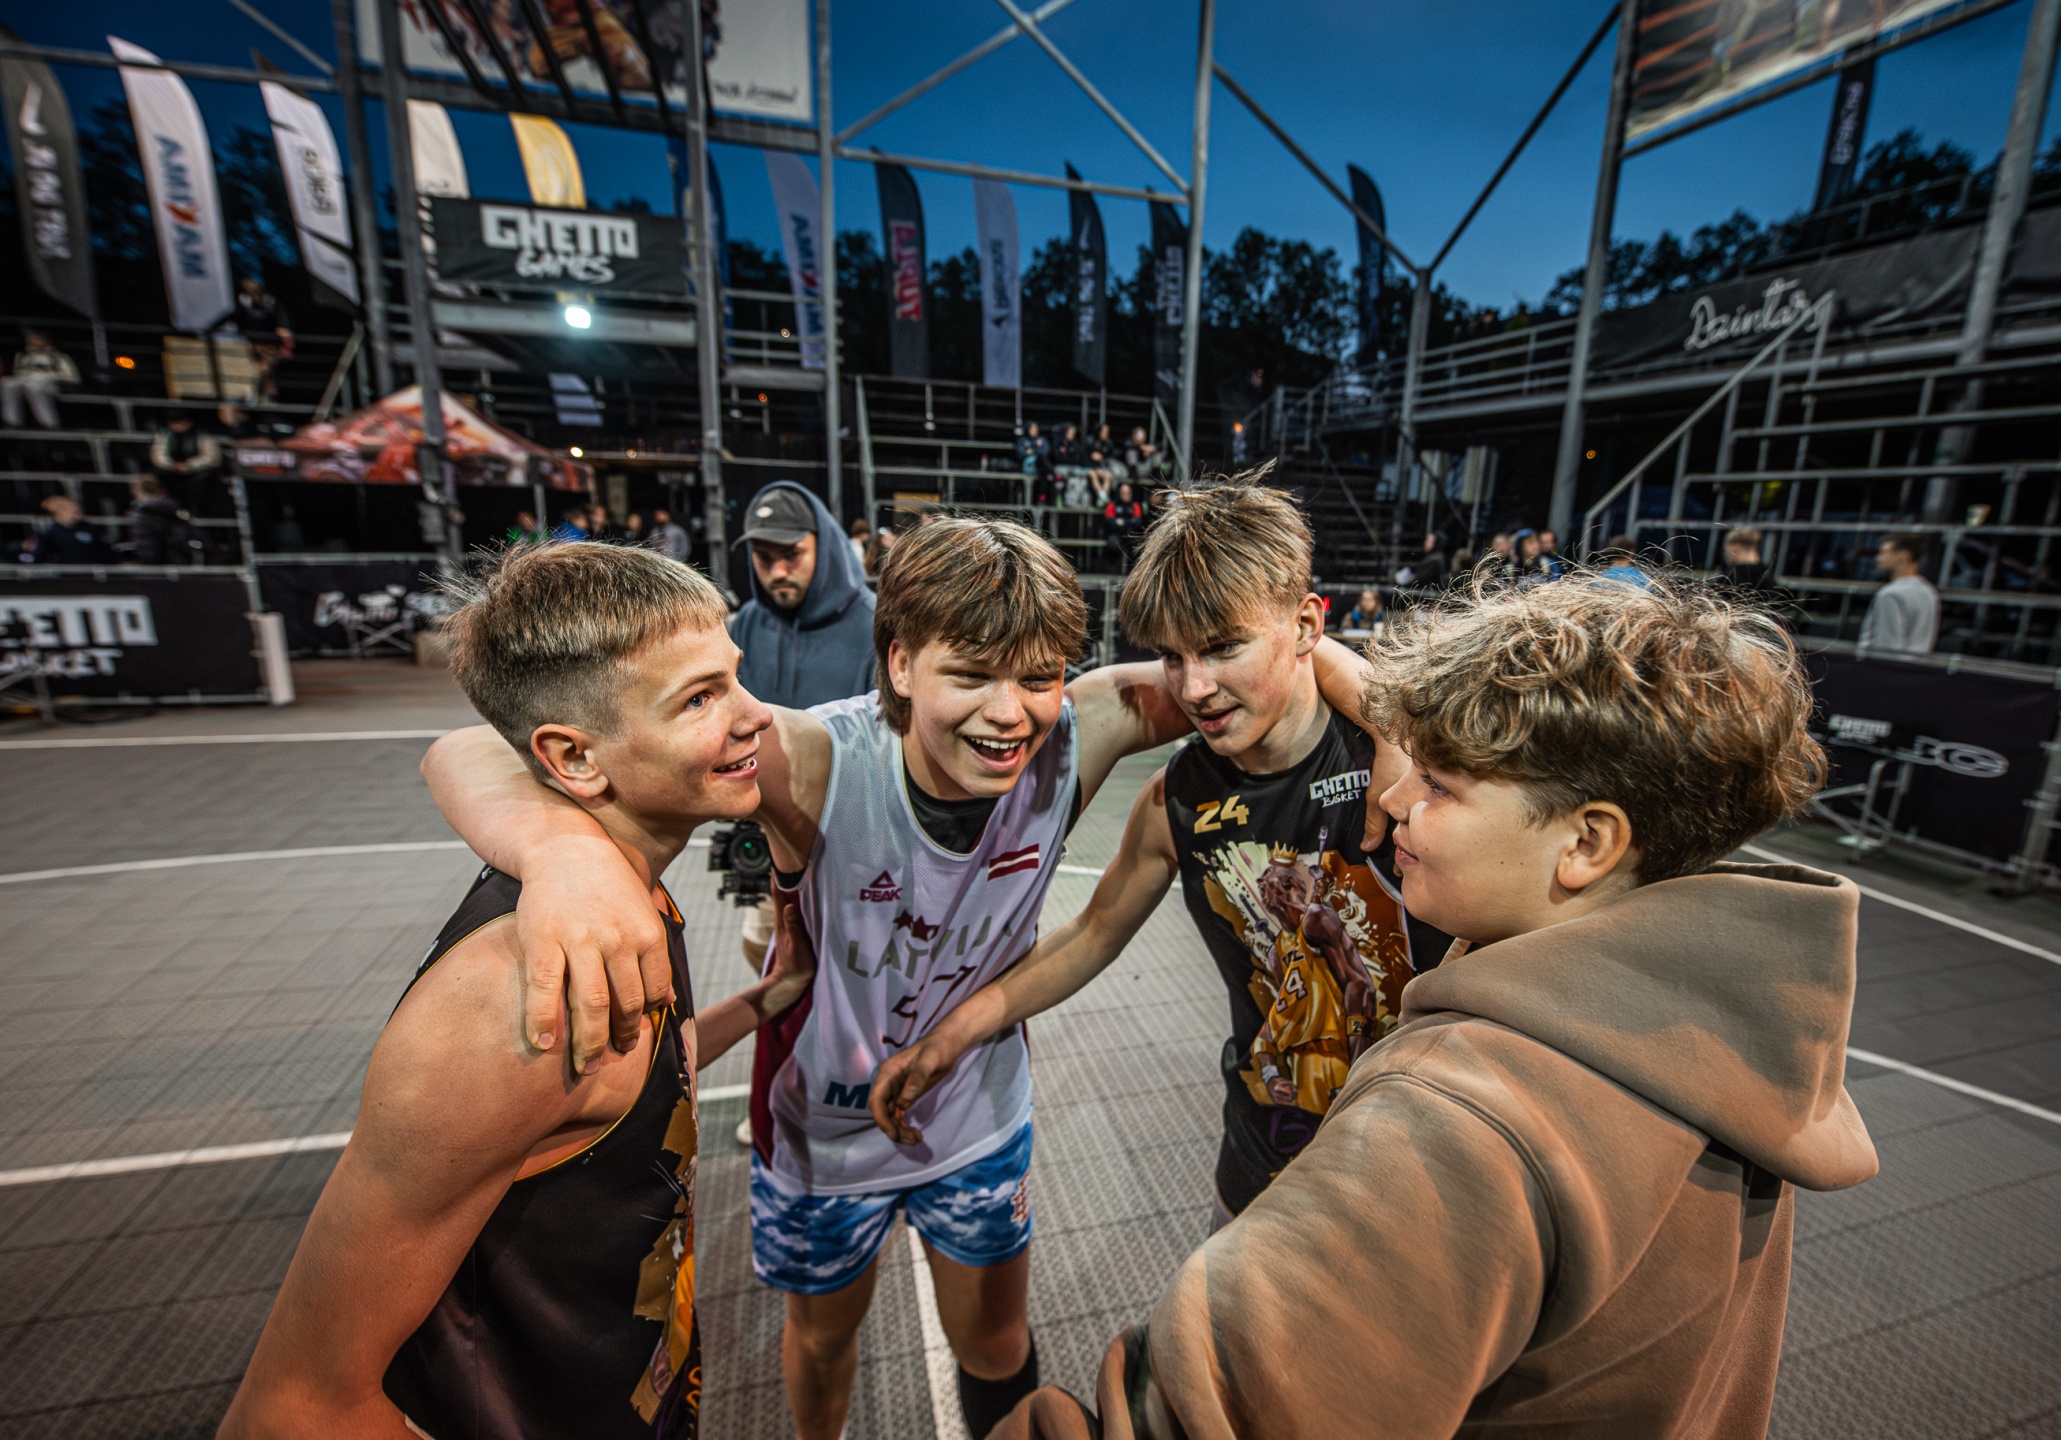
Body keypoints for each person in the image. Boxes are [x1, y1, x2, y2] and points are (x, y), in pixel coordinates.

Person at [418, 515, 1378, 1440]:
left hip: (976, 1115)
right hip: (821, 1131)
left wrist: (1363, 690)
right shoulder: (813, 759)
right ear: (902, 663)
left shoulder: (1082, 727)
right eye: (971, 675)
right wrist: (558, 854)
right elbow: (470, 748)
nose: (1010, 712)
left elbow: (1264, 662)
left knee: (997, 1345)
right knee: (823, 1342)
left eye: (1038, 676)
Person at [988, 573, 1876, 1440]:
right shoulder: (1723, 1043)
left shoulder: (1458, 1121)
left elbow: (1225, 1404)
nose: (1397, 794)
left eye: (1441, 784)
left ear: (1588, 841)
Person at [219, 543, 812, 1440]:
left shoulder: (615, 902)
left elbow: (630, 1095)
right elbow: (291, 1410)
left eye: (733, 677)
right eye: (700, 699)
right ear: (573, 757)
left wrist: (771, 996)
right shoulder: (509, 1005)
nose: (755, 714)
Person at [870, 481, 1442, 1235]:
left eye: (1224, 647)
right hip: (1267, 1152)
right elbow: (1094, 932)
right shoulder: (1178, 798)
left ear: (1307, 624)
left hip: (1428, 1154)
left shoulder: (1420, 768)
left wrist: (1398, 720)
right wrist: (954, 1032)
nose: (1196, 687)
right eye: (1173, 656)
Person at [725, 482, 877, 999]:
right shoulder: (748, 623)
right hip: (764, 837)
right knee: (763, 947)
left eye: (791, 555)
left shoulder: (874, 625)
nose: (777, 571)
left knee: (854, 970)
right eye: (763, 558)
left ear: (823, 546)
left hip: (849, 847)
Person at [1858, 532, 1940, 655]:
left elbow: (1886, 648)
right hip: (1916, 665)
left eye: (1884, 552)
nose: (1878, 557)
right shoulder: (1929, 592)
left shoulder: (1890, 594)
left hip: (1884, 666)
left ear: (1902, 555)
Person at [2, 330, 79, 429]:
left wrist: (45, 375)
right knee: (8, 384)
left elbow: (72, 377)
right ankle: (12, 422)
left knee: (36, 385)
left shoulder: (59, 357)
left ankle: (48, 424)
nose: (32, 341)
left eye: (36, 339)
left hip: (51, 385)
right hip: (27, 382)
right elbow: (17, 373)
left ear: (45, 340)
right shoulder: (22, 357)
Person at [234, 278, 294, 402]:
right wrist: (214, 327)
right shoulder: (245, 302)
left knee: (265, 369)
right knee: (262, 369)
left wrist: (284, 328)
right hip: (254, 342)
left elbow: (281, 316)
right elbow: (235, 316)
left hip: (270, 342)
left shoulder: (271, 301)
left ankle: (262, 396)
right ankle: (262, 395)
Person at [150, 411, 223, 501]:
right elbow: (158, 455)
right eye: (174, 422)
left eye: (180, 421)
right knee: (157, 475)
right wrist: (171, 464)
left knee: (206, 477)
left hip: (197, 471)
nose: (177, 425)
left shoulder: (202, 434)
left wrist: (189, 465)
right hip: (172, 470)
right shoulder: (164, 434)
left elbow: (212, 457)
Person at [25, 494, 113, 564]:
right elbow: (41, 555)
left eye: (77, 508)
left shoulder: (91, 529)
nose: (75, 511)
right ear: (57, 512)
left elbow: (106, 550)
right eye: (67, 509)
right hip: (66, 575)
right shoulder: (49, 532)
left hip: (93, 573)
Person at [127, 476, 193, 565]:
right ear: (159, 490)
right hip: (176, 560)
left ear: (136, 493)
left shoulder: (137, 513)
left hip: (147, 561)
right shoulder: (174, 510)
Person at [1102, 481, 1145, 571]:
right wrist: (1129, 522)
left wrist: (1122, 522)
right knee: (1113, 543)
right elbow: (1110, 522)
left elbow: (1138, 522)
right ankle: (1113, 568)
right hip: (1116, 534)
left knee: (1138, 544)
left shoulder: (1135, 505)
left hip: (1130, 534)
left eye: (1127, 493)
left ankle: (1132, 569)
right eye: (1123, 493)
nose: (1126, 495)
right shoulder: (1112, 505)